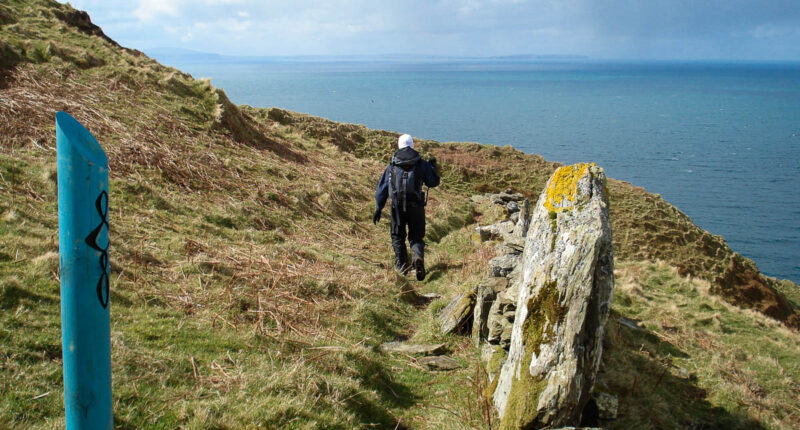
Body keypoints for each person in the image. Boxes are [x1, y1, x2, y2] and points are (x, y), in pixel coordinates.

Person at [373, 134, 440, 280]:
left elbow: (382, 188)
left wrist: (379, 207)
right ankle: (418, 258)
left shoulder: (392, 164)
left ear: (399, 145)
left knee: (397, 235)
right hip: (416, 206)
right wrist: (433, 167)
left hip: (396, 206)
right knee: (416, 236)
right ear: (412, 145)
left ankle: (402, 266)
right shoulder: (421, 163)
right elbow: (433, 182)